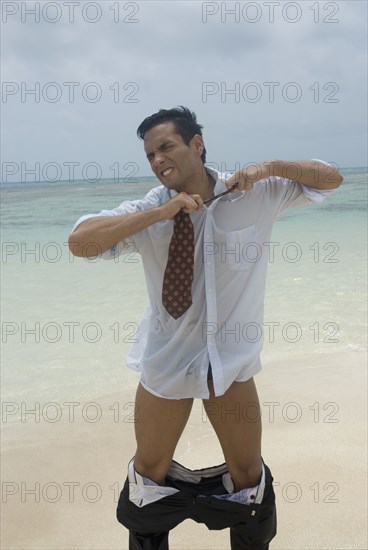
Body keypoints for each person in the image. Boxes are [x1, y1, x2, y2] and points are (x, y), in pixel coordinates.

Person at [68, 106, 343, 549]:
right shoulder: (149, 210)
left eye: (166, 147)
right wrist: (160, 215)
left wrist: (269, 166)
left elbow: (329, 177)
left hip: (231, 366)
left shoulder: (255, 192)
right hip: (166, 364)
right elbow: (80, 242)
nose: (157, 160)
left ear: (197, 144)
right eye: (150, 155)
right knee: (148, 478)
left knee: (249, 480)